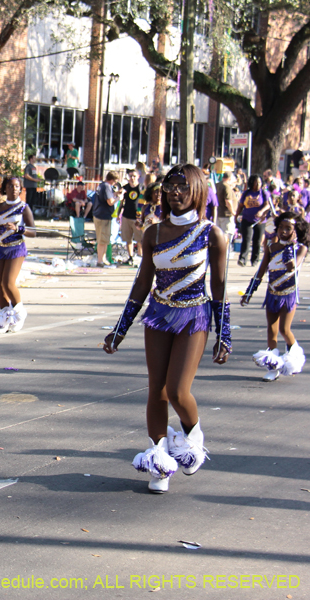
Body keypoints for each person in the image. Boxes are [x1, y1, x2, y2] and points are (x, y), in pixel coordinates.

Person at [103, 163, 231, 494]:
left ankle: (193, 436)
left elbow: (219, 286)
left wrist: (223, 335)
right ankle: (159, 462)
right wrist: (120, 329)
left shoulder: (211, 234)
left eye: (183, 187)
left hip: (194, 316)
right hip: (158, 315)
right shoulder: (154, 233)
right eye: (170, 186)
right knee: (156, 390)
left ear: (198, 191)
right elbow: (142, 282)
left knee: (177, 390)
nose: (175, 192)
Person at [241, 211, 308, 381]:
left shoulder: (300, 248)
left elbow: (292, 266)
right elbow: (261, 271)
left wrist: (289, 247)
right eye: (280, 227)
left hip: (289, 294)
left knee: (285, 330)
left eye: (288, 228)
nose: (283, 231)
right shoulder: (271, 247)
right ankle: (273, 367)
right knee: (272, 331)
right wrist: (249, 292)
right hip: (272, 294)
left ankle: (294, 354)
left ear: (295, 230)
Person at [0, 176, 36, 333]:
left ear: (20, 189)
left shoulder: (24, 207)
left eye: (16, 186)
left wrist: (18, 229)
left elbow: (33, 232)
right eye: (10, 186)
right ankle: (5, 319)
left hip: (16, 248)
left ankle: (19, 312)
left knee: (8, 283)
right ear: (5, 188)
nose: (14, 189)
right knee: (0, 285)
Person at [235, 174, 270, 267]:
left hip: (259, 221)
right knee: (246, 239)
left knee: (257, 241)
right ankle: (242, 258)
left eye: (260, 182)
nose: (258, 184)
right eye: (256, 182)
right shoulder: (246, 193)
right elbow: (241, 206)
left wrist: (261, 211)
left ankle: (255, 259)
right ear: (252, 183)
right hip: (247, 219)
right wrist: (236, 215)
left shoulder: (263, 193)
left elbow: (267, 205)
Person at [92, 171, 119, 268]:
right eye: (115, 181)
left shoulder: (102, 185)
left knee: (105, 239)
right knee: (102, 240)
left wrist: (115, 193)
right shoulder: (107, 186)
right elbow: (110, 202)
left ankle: (103, 259)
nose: (115, 183)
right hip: (103, 216)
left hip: (100, 215)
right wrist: (119, 197)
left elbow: (106, 196)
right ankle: (100, 261)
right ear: (112, 180)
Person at [119, 169, 143, 262]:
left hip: (137, 217)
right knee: (128, 239)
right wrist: (118, 214)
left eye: (134, 176)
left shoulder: (141, 188)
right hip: (126, 216)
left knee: (139, 239)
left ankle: (141, 257)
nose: (132, 178)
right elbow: (121, 201)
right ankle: (131, 257)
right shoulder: (126, 188)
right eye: (130, 176)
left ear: (138, 177)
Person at [215, 172, 237, 237]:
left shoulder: (217, 185)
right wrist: (233, 212)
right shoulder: (227, 187)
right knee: (226, 235)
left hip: (218, 214)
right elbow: (228, 202)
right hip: (226, 215)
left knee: (219, 236)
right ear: (229, 179)